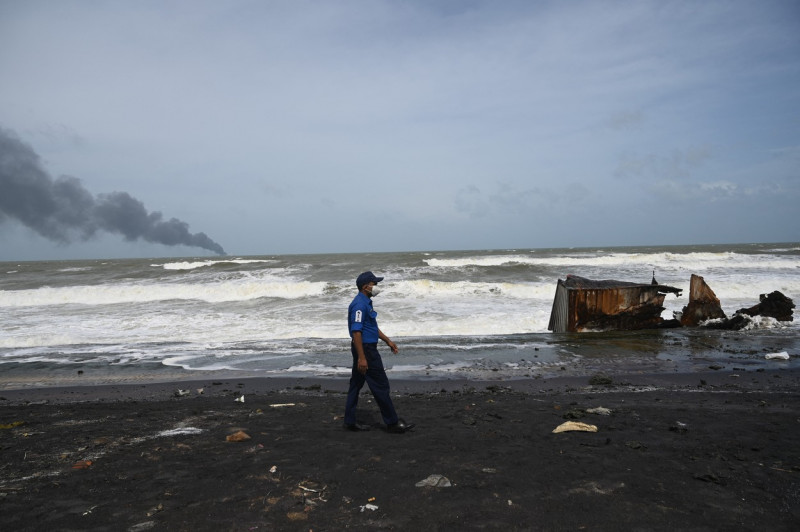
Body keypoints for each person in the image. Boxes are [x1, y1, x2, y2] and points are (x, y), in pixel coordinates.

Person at [343, 271, 414, 434]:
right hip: (366, 350)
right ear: (365, 286)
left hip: (365, 348)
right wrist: (362, 357)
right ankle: (392, 423)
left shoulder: (366, 301)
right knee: (381, 385)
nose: (376, 287)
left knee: (356, 384)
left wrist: (387, 340)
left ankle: (349, 421)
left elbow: (371, 327)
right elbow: (357, 332)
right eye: (374, 284)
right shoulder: (359, 305)